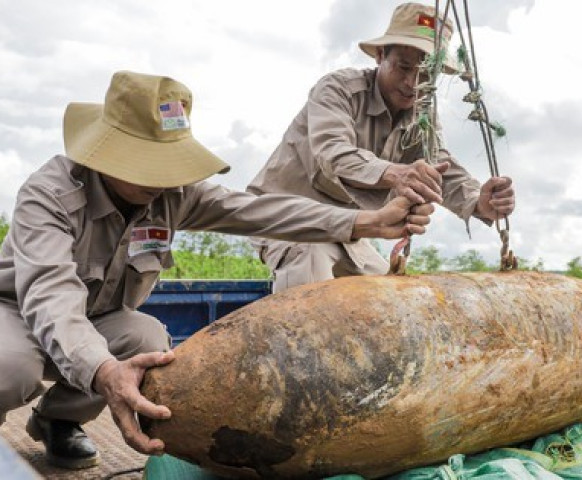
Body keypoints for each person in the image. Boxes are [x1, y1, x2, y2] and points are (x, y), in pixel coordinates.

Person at [0, 70, 435, 469]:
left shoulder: (171, 193)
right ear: (109, 153)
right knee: (12, 365)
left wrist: (365, 222)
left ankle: (58, 420)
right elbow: (51, 300)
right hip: (18, 311)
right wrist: (105, 372)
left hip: (100, 316)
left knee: (148, 340)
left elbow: (259, 211)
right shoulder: (51, 193)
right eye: (149, 164)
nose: (164, 179)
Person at [247, 2, 516, 292]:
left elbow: (441, 167)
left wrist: (480, 202)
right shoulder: (337, 90)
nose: (413, 83)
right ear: (380, 55)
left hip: (347, 230)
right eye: (403, 67)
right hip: (286, 215)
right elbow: (334, 155)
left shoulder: (422, 117)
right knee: (310, 263)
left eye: (426, 75)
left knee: (396, 296)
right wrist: (396, 174)